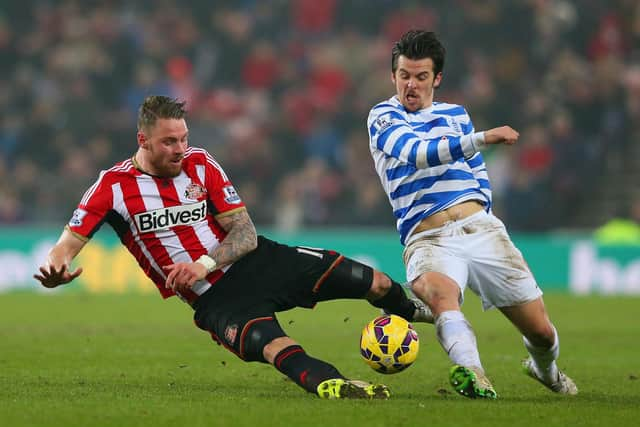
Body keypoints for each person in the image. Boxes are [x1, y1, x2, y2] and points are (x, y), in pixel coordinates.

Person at [34, 95, 432, 400]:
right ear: (143, 140)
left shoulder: (201, 164)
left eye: (184, 138)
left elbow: (245, 232)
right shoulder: (112, 187)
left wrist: (203, 263)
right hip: (215, 300)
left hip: (257, 262)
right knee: (277, 348)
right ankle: (338, 386)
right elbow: (67, 244)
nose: (180, 149)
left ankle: (428, 314)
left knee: (377, 284)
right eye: (169, 141)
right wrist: (56, 269)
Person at [367, 30, 577, 399]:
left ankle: (546, 370)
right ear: (393, 76)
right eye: (404, 75)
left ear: (437, 78)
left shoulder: (455, 115)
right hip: (428, 237)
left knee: (541, 332)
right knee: (443, 298)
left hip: (480, 229)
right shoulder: (383, 117)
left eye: (420, 77)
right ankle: (474, 373)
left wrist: (484, 214)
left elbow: (478, 173)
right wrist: (482, 138)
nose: (410, 85)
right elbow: (417, 152)